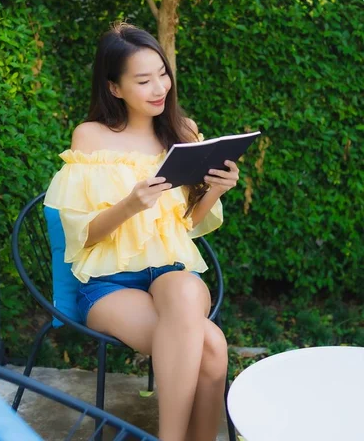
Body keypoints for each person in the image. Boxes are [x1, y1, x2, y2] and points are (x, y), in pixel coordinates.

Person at [44, 23, 240, 441]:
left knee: (187, 293)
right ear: (114, 88)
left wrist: (215, 190)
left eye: (162, 74)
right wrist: (131, 203)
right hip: (109, 286)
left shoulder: (181, 132)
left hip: (171, 275)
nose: (159, 87)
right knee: (211, 346)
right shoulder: (91, 137)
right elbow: (84, 235)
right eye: (143, 79)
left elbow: (187, 225)